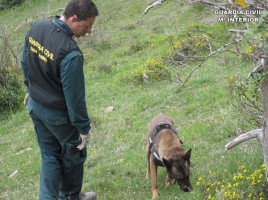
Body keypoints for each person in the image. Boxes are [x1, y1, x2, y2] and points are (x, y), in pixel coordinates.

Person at [21, 0, 98, 199]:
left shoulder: (38, 27)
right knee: (75, 153)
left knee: (49, 156)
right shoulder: (70, 54)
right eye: (87, 25)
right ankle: (71, 196)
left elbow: (24, 60)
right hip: (57, 115)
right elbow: (75, 98)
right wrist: (83, 128)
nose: (89, 31)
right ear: (73, 19)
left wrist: (29, 87)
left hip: (35, 107)